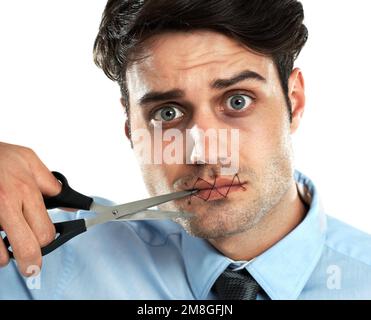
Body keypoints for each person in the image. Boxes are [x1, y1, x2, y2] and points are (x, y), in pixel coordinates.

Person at [1, 0, 371, 300]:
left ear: (295, 101)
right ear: (132, 130)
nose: (206, 152)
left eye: (238, 101)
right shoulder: (40, 256)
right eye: (167, 113)